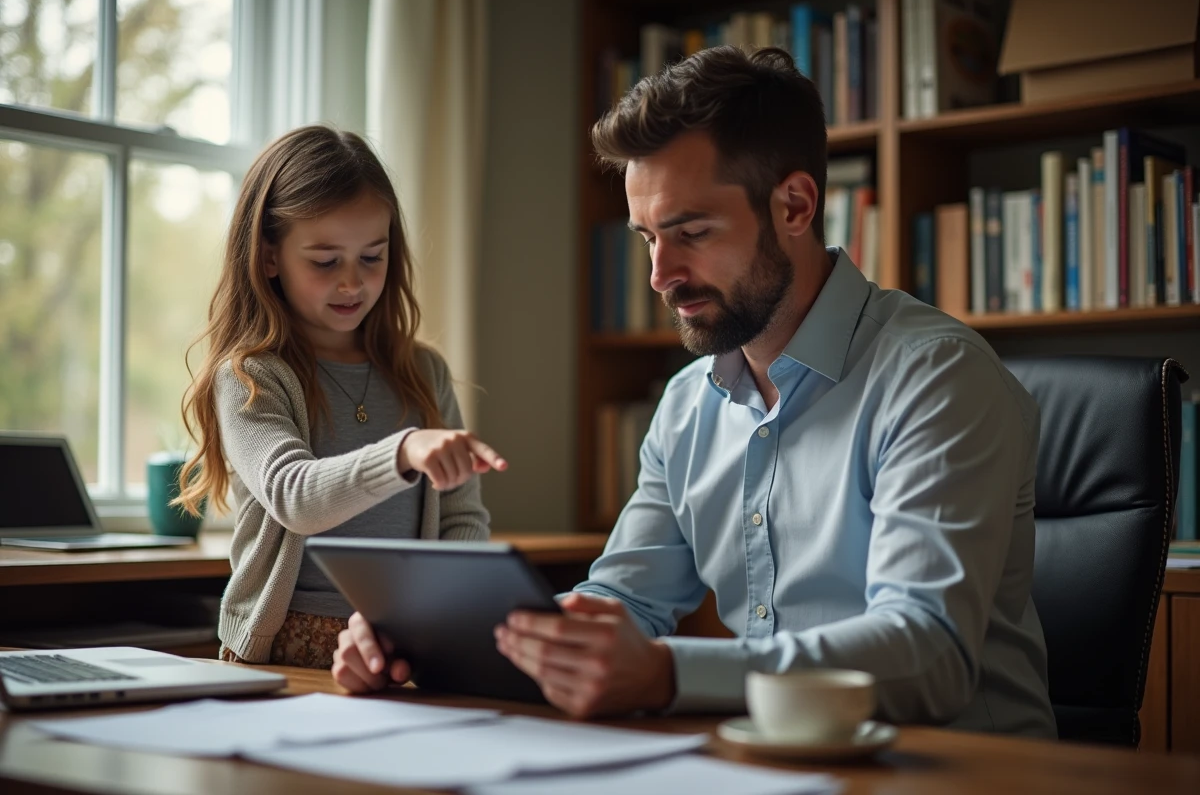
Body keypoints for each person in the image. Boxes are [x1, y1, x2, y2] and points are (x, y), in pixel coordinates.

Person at [332, 46, 1057, 738]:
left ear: (796, 206)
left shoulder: (937, 379)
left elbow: (926, 652)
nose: (659, 274)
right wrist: (429, 642)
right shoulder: (685, 405)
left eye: (691, 231)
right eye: (647, 237)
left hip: (956, 769)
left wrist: (663, 675)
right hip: (762, 762)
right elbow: (621, 599)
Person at [176, 125, 507, 670]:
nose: (352, 284)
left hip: (403, 646)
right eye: (326, 262)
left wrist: (437, 620)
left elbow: (462, 519)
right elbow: (294, 497)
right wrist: (402, 452)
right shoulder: (251, 376)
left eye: (372, 257)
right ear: (268, 258)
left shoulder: (424, 372)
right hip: (282, 648)